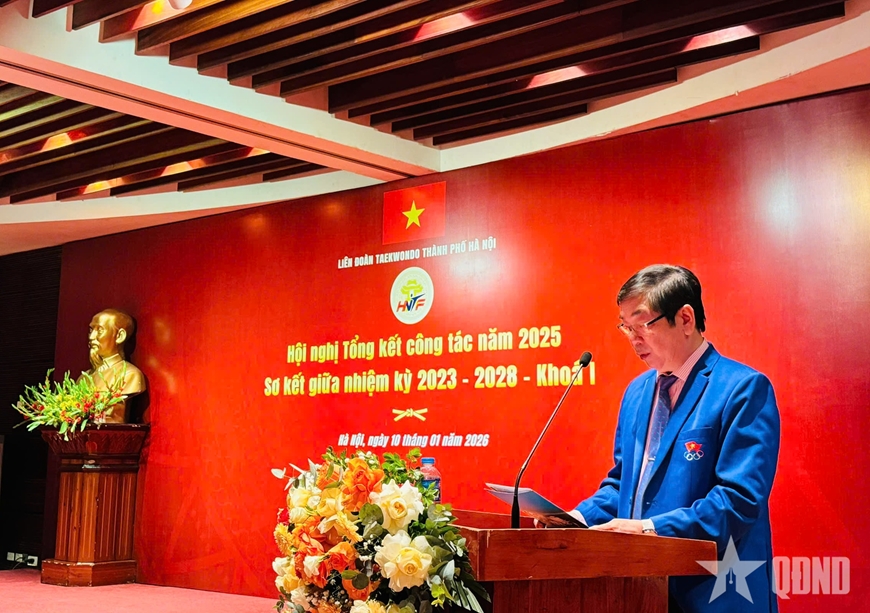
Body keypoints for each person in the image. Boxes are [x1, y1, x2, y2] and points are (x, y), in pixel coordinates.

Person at [574, 265, 780, 613]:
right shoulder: (637, 392)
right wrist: (577, 519)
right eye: (626, 327)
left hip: (713, 594)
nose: (634, 339)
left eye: (642, 324)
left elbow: (738, 500)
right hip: (640, 593)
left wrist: (650, 529)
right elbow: (625, 484)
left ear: (685, 319)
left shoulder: (742, 389)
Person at [83, 309, 146, 424]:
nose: (91, 337)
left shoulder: (129, 375)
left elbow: (117, 419)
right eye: (91, 330)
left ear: (119, 336)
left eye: (100, 330)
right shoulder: (84, 377)